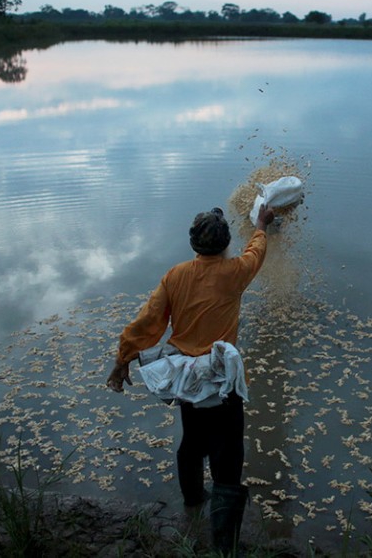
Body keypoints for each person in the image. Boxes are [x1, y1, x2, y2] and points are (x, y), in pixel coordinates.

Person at [107, 204, 275, 555]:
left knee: (193, 441)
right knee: (227, 453)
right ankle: (224, 543)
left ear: (193, 244)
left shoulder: (176, 275)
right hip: (220, 379)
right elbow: (256, 250)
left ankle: (192, 504)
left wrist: (123, 358)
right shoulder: (236, 272)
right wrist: (260, 223)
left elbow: (149, 322)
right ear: (227, 243)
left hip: (186, 380)